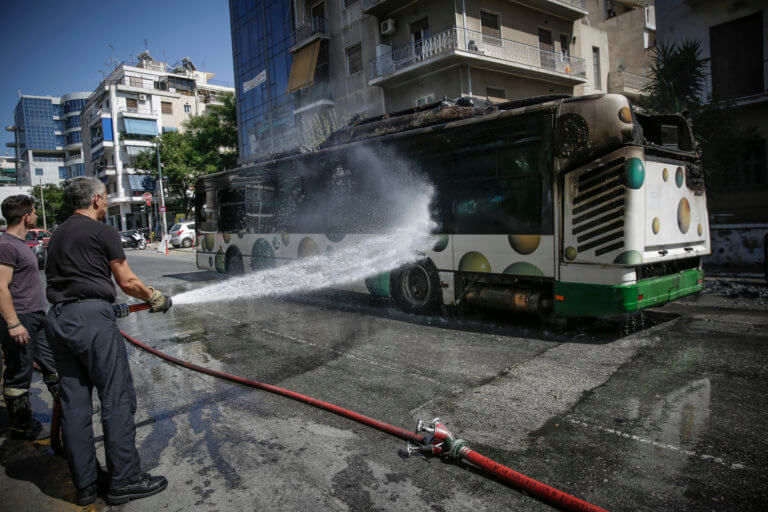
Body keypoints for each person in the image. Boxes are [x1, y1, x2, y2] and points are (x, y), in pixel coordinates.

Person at [45, 177, 172, 506]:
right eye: (106, 198)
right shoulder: (102, 231)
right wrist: (154, 295)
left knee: (75, 407)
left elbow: (70, 279)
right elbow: (127, 280)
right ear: (97, 200)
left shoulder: (57, 234)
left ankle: (86, 484)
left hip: (58, 320)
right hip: (92, 323)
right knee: (117, 398)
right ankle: (125, 480)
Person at [0, 195, 59, 440]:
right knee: (19, 373)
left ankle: (68, 407)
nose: (35, 216)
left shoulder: (18, 244)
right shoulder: (7, 245)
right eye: (34, 212)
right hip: (21, 318)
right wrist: (13, 324)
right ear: (26, 216)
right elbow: (1, 287)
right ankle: (21, 425)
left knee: (54, 364)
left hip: (35, 316)